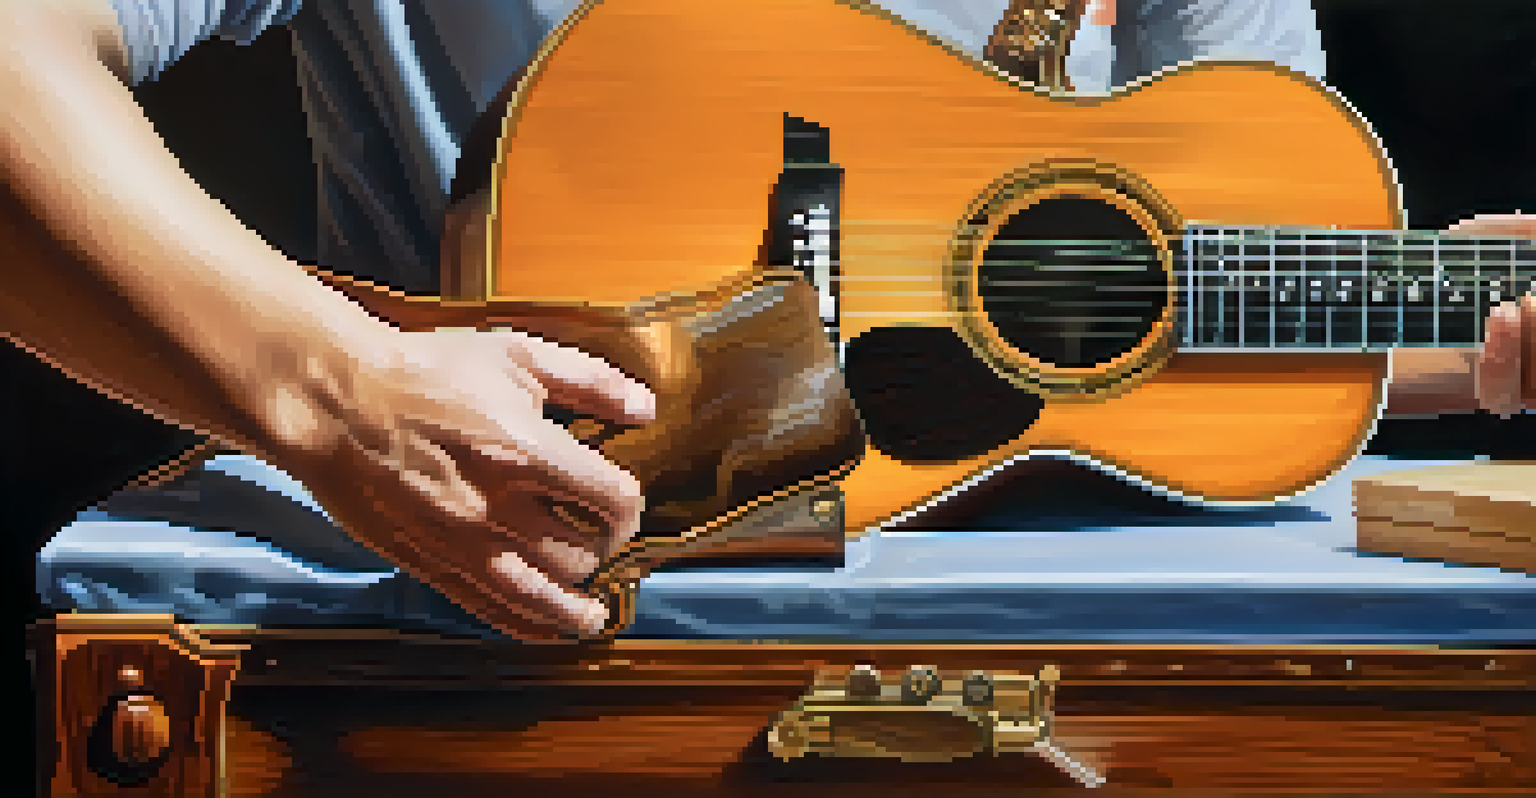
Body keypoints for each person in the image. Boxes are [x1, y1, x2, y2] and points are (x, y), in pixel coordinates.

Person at [6, 0, 1532, 642]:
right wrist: (333, 391)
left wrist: (1487, 331)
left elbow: (1191, 298)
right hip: (509, 665)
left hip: (1109, 680)